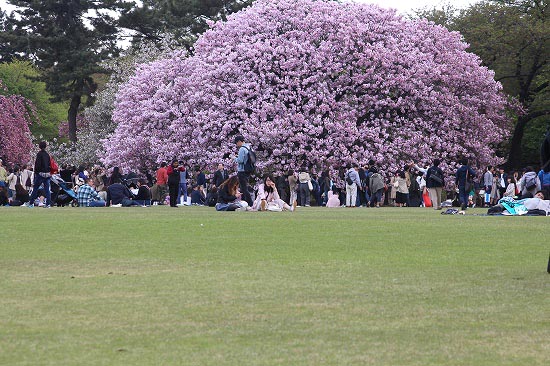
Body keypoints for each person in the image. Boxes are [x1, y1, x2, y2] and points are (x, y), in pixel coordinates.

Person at [26, 141, 52, 208]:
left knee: (35, 188)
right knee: (47, 189)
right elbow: (49, 164)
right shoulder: (47, 155)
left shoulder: (39, 154)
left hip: (40, 174)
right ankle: (48, 204)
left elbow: (37, 165)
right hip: (47, 174)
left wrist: (37, 172)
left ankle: (31, 203)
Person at [234, 135, 253, 206]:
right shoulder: (248, 147)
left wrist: (234, 158)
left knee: (244, 188)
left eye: (236, 143)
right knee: (244, 187)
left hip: (242, 170)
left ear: (239, 141)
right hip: (248, 170)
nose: (236, 145)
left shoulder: (242, 149)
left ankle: (250, 203)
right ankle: (244, 202)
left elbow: (240, 160)